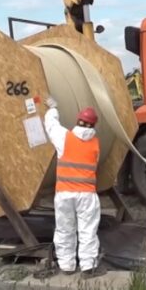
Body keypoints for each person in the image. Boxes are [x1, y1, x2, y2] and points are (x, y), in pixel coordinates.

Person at [43, 102, 103, 277]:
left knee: (64, 229)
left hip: (64, 193)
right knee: (87, 230)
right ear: (93, 125)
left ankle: (67, 266)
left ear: (78, 121)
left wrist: (53, 108)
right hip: (86, 195)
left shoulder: (65, 137)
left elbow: (50, 124)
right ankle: (88, 267)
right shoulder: (95, 145)